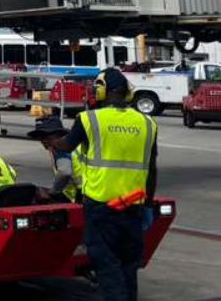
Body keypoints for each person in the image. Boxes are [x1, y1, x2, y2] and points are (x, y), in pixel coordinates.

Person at [48, 68, 158, 301]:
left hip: (102, 207)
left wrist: (52, 141)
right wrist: (148, 205)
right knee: (128, 268)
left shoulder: (89, 119)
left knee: (108, 267)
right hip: (133, 206)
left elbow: (67, 146)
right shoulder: (148, 123)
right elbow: (151, 169)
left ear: (101, 91)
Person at [28, 115, 81, 202]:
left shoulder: (60, 147)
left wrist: (53, 192)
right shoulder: (75, 143)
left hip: (81, 195)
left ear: (58, 134)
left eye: (47, 136)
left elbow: (64, 172)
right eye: (40, 137)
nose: (43, 140)